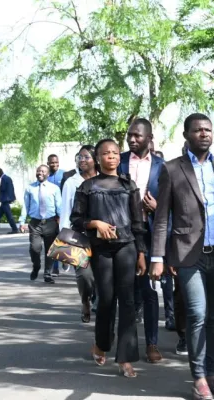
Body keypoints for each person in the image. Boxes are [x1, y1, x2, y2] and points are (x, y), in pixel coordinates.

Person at [150, 113, 214, 400]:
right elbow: (162, 217)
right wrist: (157, 256)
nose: (204, 134)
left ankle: (211, 372)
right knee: (196, 313)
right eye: (198, 130)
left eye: (208, 129)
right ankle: (198, 377)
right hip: (188, 255)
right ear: (186, 135)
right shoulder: (172, 169)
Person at [71, 138, 147, 378]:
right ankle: (102, 344)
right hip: (100, 250)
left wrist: (141, 252)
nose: (111, 156)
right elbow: (76, 220)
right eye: (106, 153)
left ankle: (125, 358)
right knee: (105, 299)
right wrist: (95, 223)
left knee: (127, 301)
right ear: (98, 158)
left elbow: (138, 222)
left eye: (115, 152)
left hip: (127, 247)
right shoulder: (87, 187)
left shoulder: (128, 185)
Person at [118, 118, 169, 363]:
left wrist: (158, 208)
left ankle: (152, 343)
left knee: (149, 291)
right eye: (130, 135)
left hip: (150, 235)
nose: (132, 139)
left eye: (137, 135)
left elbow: (172, 202)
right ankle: (126, 346)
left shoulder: (163, 166)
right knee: (125, 292)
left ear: (149, 138)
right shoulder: (119, 161)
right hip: (122, 235)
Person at [61, 145, 98, 322]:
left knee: (102, 275)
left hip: (101, 235)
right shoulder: (71, 182)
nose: (82, 160)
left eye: (86, 157)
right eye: (79, 157)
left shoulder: (103, 179)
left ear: (96, 159)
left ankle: (98, 301)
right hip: (78, 235)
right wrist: (64, 242)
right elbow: (65, 212)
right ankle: (85, 300)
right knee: (85, 275)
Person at [19, 165, 62, 284]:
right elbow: (25, 205)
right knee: (35, 248)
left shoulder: (54, 188)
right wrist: (22, 222)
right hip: (35, 223)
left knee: (50, 250)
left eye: (43, 171)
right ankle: (36, 266)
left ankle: (47, 274)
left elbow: (59, 206)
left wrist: (61, 221)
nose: (40, 173)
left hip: (50, 223)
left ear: (48, 174)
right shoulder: (30, 188)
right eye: (38, 171)